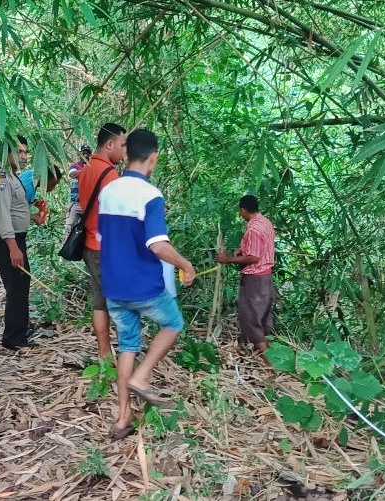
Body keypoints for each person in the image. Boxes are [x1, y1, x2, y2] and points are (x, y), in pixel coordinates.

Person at [98, 128, 196, 440]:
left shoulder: (108, 192)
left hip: (113, 286)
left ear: (126, 155)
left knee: (128, 344)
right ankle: (142, 376)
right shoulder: (151, 196)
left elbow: (103, 239)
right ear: (153, 159)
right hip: (143, 286)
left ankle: (122, 416)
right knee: (173, 323)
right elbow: (157, 245)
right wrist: (185, 264)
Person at [78, 123, 126, 359]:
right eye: (123, 145)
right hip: (105, 248)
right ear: (109, 144)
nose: (125, 151)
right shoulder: (110, 175)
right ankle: (116, 352)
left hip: (90, 244)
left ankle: (105, 351)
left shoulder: (86, 169)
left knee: (100, 300)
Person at [0, 163, 63, 298]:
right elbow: (12, 211)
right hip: (6, 228)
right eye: (53, 184)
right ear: (45, 178)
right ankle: (0, 291)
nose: (52, 188)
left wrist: (34, 201)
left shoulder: (29, 174)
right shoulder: (28, 187)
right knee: (12, 272)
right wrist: (34, 217)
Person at [0, 135, 35, 351]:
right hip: (7, 240)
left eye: (26, 152)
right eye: (19, 151)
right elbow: (3, 214)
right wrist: (13, 247)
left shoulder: (14, 177)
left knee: (21, 285)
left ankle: (20, 330)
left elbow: (15, 209)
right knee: (16, 287)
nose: (24, 156)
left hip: (15, 239)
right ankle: (13, 339)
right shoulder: (2, 178)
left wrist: (33, 217)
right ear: (6, 153)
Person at [215, 195, 276, 361]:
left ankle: (269, 365)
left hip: (255, 279)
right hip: (265, 277)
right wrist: (242, 253)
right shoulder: (265, 222)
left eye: (240, 210)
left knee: (251, 319)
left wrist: (228, 259)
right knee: (261, 318)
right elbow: (258, 250)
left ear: (243, 209)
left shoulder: (253, 229)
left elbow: (254, 257)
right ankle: (268, 357)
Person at [63, 144, 92, 241]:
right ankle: (65, 251)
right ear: (79, 154)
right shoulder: (74, 166)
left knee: (88, 229)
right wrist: (86, 170)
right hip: (75, 203)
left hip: (87, 204)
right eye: (84, 153)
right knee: (68, 227)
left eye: (88, 153)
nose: (86, 155)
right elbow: (73, 174)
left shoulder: (91, 168)